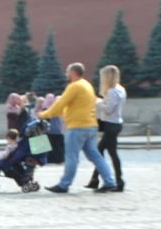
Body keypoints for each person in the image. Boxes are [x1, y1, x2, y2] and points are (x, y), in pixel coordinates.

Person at [40, 64, 114, 193]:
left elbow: (61, 104)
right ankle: (109, 181)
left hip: (77, 127)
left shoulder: (74, 86)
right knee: (95, 156)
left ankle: (64, 185)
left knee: (71, 156)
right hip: (91, 126)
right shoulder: (87, 85)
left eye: (67, 71)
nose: (66, 74)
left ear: (73, 72)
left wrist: (44, 115)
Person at [88, 64, 127, 192]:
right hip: (116, 123)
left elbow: (108, 109)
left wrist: (98, 102)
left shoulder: (111, 91)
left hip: (110, 124)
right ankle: (95, 179)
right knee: (102, 152)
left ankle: (116, 181)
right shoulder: (121, 89)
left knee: (105, 153)